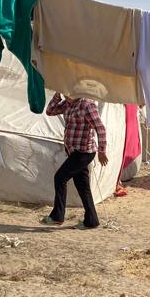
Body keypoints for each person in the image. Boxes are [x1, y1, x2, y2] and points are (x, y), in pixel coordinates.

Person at [41, 92, 108, 229]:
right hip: (73, 152)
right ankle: (92, 220)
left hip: (84, 152)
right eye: (65, 92)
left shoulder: (87, 105)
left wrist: (102, 151)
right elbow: (50, 111)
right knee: (83, 187)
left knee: (60, 177)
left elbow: (100, 128)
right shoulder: (67, 104)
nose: (67, 95)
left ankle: (57, 216)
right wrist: (57, 95)